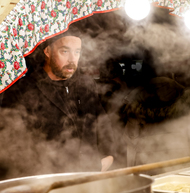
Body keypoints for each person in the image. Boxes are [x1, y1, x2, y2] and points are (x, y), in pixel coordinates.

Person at [1, 30, 115, 178]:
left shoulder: (86, 85)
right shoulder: (22, 89)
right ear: (47, 51)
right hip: (46, 181)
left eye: (77, 52)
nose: (72, 59)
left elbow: (102, 123)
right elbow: (10, 145)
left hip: (88, 176)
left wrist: (109, 155)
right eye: (65, 51)